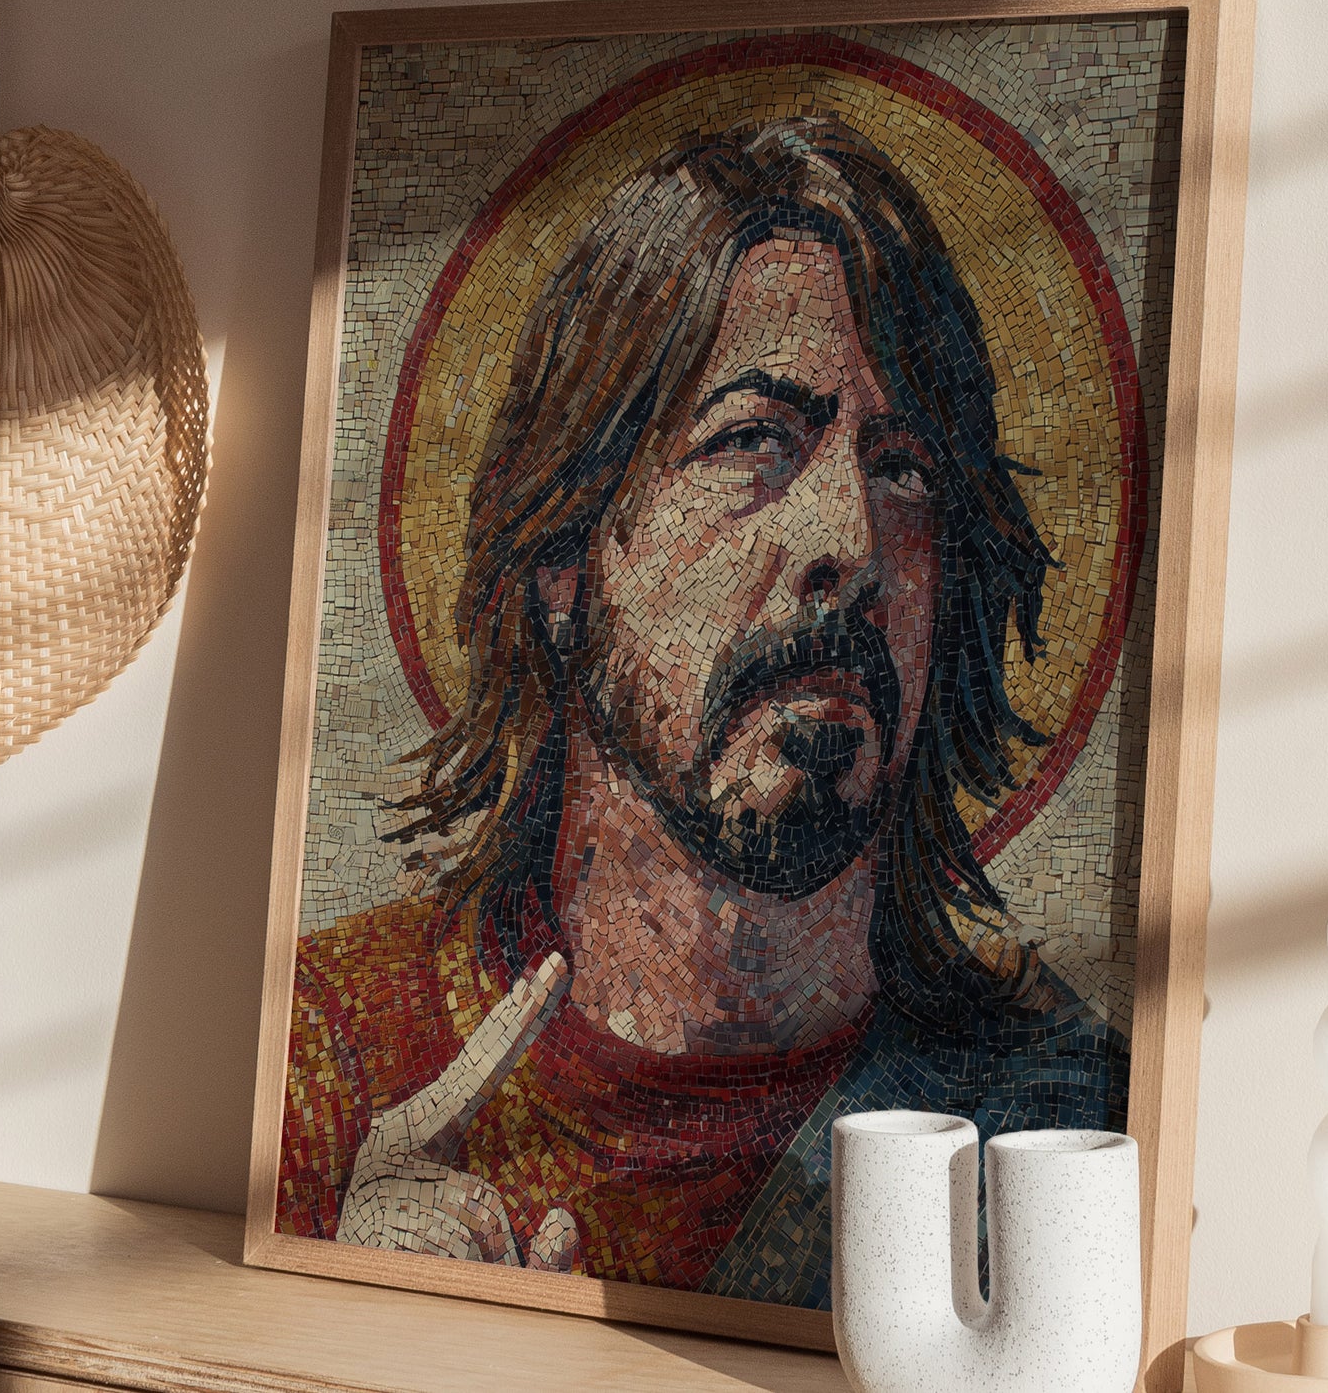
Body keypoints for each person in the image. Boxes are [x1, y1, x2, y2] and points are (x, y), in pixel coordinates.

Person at [277, 116, 1126, 1308]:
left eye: (901, 467)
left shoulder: (1058, 1117)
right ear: (566, 557)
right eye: (749, 442)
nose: (847, 541)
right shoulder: (325, 1046)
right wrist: (346, 1324)